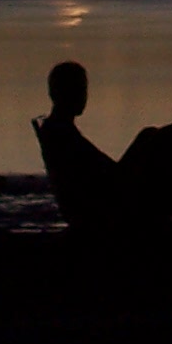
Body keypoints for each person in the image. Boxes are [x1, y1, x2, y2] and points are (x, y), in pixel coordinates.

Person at [32, 60, 120, 232]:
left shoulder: (59, 129)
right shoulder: (60, 133)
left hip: (95, 203)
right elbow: (101, 170)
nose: (84, 96)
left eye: (84, 90)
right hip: (93, 209)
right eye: (79, 90)